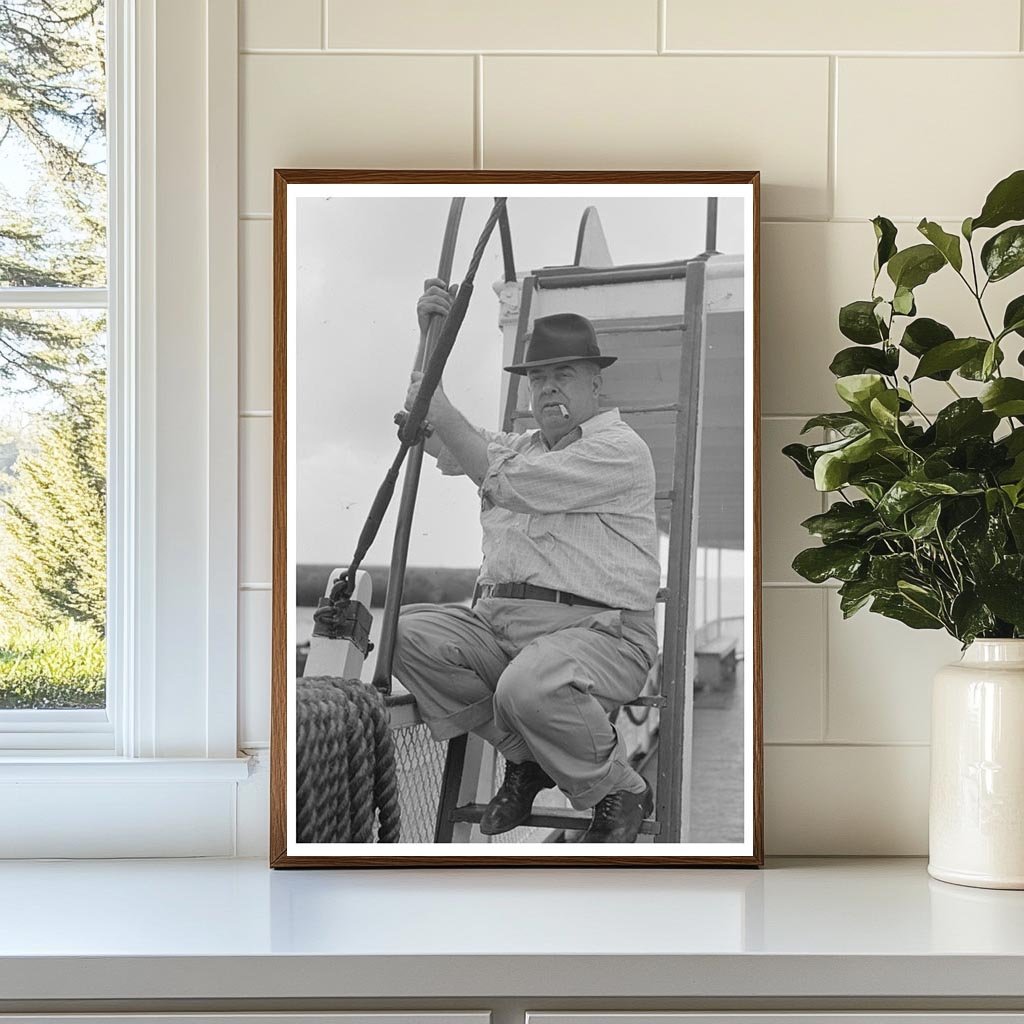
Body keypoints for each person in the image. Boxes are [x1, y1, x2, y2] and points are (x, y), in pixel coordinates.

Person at [391, 278, 661, 843]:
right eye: (538, 378)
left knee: (529, 686)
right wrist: (427, 340)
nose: (547, 388)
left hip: (600, 634)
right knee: (403, 633)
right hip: (501, 629)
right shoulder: (517, 445)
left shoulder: (618, 450)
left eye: (562, 375)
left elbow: (504, 480)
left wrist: (444, 410)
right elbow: (426, 427)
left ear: (596, 383)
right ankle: (529, 757)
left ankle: (619, 785)